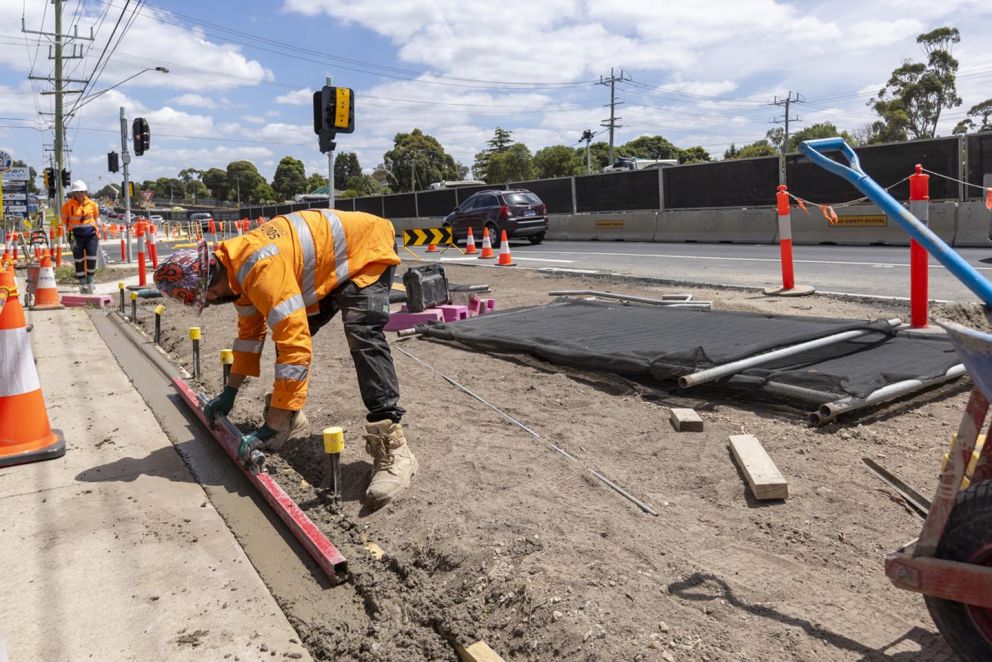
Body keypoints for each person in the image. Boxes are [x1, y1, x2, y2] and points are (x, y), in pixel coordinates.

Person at [153, 209, 416, 509]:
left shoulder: (260, 270)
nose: (212, 303)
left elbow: (295, 342)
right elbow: (250, 336)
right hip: (329, 265)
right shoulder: (236, 270)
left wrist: (271, 422)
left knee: (361, 331)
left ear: (209, 290)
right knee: (284, 330)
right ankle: (290, 419)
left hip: (367, 248)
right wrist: (230, 392)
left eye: (208, 299)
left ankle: (393, 446)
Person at [61, 180, 101, 293]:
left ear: (86, 192)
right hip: (74, 235)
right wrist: (64, 236)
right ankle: (82, 282)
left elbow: (97, 217)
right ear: (73, 193)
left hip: (91, 235)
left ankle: (90, 280)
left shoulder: (93, 204)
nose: (80, 194)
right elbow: (64, 221)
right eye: (77, 192)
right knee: (78, 259)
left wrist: (100, 225)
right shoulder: (67, 205)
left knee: (92, 257)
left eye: (82, 192)